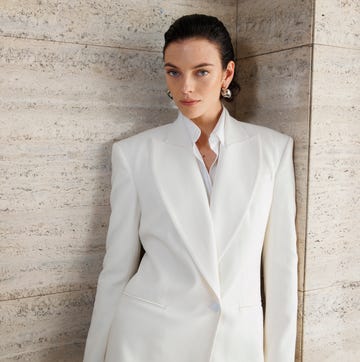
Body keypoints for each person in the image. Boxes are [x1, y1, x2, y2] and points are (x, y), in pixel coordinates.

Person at [83, 14, 298, 362]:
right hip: (146, 342)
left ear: (227, 74)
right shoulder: (134, 154)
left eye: (201, 71)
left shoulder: (272, 151)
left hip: (233, 346)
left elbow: (281, 276)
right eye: (174, 71)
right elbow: (116, 270)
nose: (185, 87)